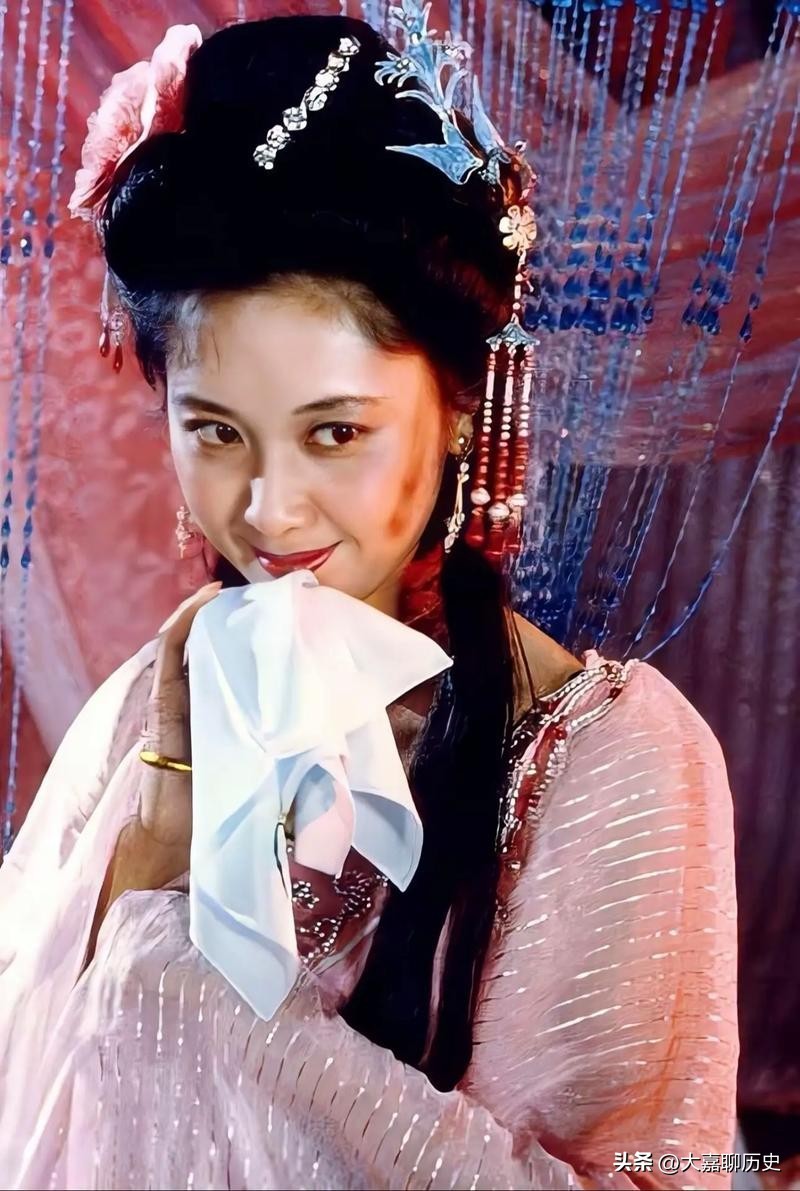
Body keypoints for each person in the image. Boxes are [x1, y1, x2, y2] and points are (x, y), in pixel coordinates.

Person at [0, 12, 738, 1190]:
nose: (270, 508)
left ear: (457, 406)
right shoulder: (154, 698)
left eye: (334, 432)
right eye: (214, 431)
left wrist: (182, 986)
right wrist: (159, 827)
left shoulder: (609, 759)